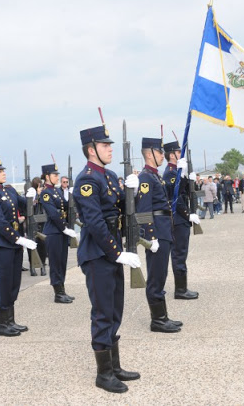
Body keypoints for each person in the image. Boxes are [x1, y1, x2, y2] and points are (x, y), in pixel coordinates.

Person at [73, 125, 141, 393]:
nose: (110, 148)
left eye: (110, 145)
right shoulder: (87, 180)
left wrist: (132, 193)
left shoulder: (110, 176)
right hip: (98, 254)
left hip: (112, 253)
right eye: (105, 145)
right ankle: (103, 374)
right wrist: (117, 252)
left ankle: (114, 366)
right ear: (91, 150)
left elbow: (120, 211)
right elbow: (95, 222)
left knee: (115, 309)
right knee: (102, 313)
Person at [0, 156, 37, 337]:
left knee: (14, 284)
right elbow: (0, 222)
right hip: (3, 244)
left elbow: (25, 206)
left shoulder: (10, 190)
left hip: (14, 244)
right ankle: (2, 324)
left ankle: (10, 321)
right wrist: (18, 238)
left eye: (3, 170)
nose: (3, 173)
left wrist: (31, 197)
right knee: (5, 285)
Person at [137, 137, 183, 334]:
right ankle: (157, 320)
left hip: (164, 229)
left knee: (161, 275)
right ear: (149, 154)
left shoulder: (155, 176)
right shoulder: (146, 177)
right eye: (159, 152)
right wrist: (151, 237)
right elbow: (144, 209)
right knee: (156, 277)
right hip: (157, 232)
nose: (162, 156)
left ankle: (162, 316)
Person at [162, 141, 200, 300]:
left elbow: (185, 192)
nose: (181, 155)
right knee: (179, 254)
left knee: (181, 253)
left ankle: (182, 287)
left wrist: (187, 178)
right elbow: (175, 197)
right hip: (177, 218)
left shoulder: (176, 172)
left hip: (181, 217)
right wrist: (187, 214)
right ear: (172, 155)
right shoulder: (170, 172)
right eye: (179, 152)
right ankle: (180, 290)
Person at [40, 162, 79, 303]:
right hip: (54, 232)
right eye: (54, 175)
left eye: (57, 174)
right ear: (47, 176)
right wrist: (64, 228)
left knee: (62, 262)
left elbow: (66, 207)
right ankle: (58, 293)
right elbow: (53, 213)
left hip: (61, 232)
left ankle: (62, 290)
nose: (57, 177)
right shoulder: (45, 193)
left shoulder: (56, 191)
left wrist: (73, 196)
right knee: (56, 263)